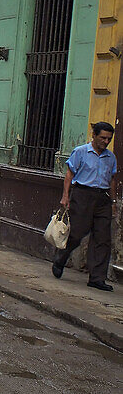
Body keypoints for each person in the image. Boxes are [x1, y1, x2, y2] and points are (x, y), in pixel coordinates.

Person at [52, 122, 118, 291]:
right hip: (82, 195)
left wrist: (113, 202)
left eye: (109, 139)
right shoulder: (80, 152)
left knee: (103, 238)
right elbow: (69, 175)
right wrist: (65, 196)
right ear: (94, 135)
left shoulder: (110, 157)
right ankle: (61, 258)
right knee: (77, 232)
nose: (106, 141)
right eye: (103, 138)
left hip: (102, 198)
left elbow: (112, 180)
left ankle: (97, 278)